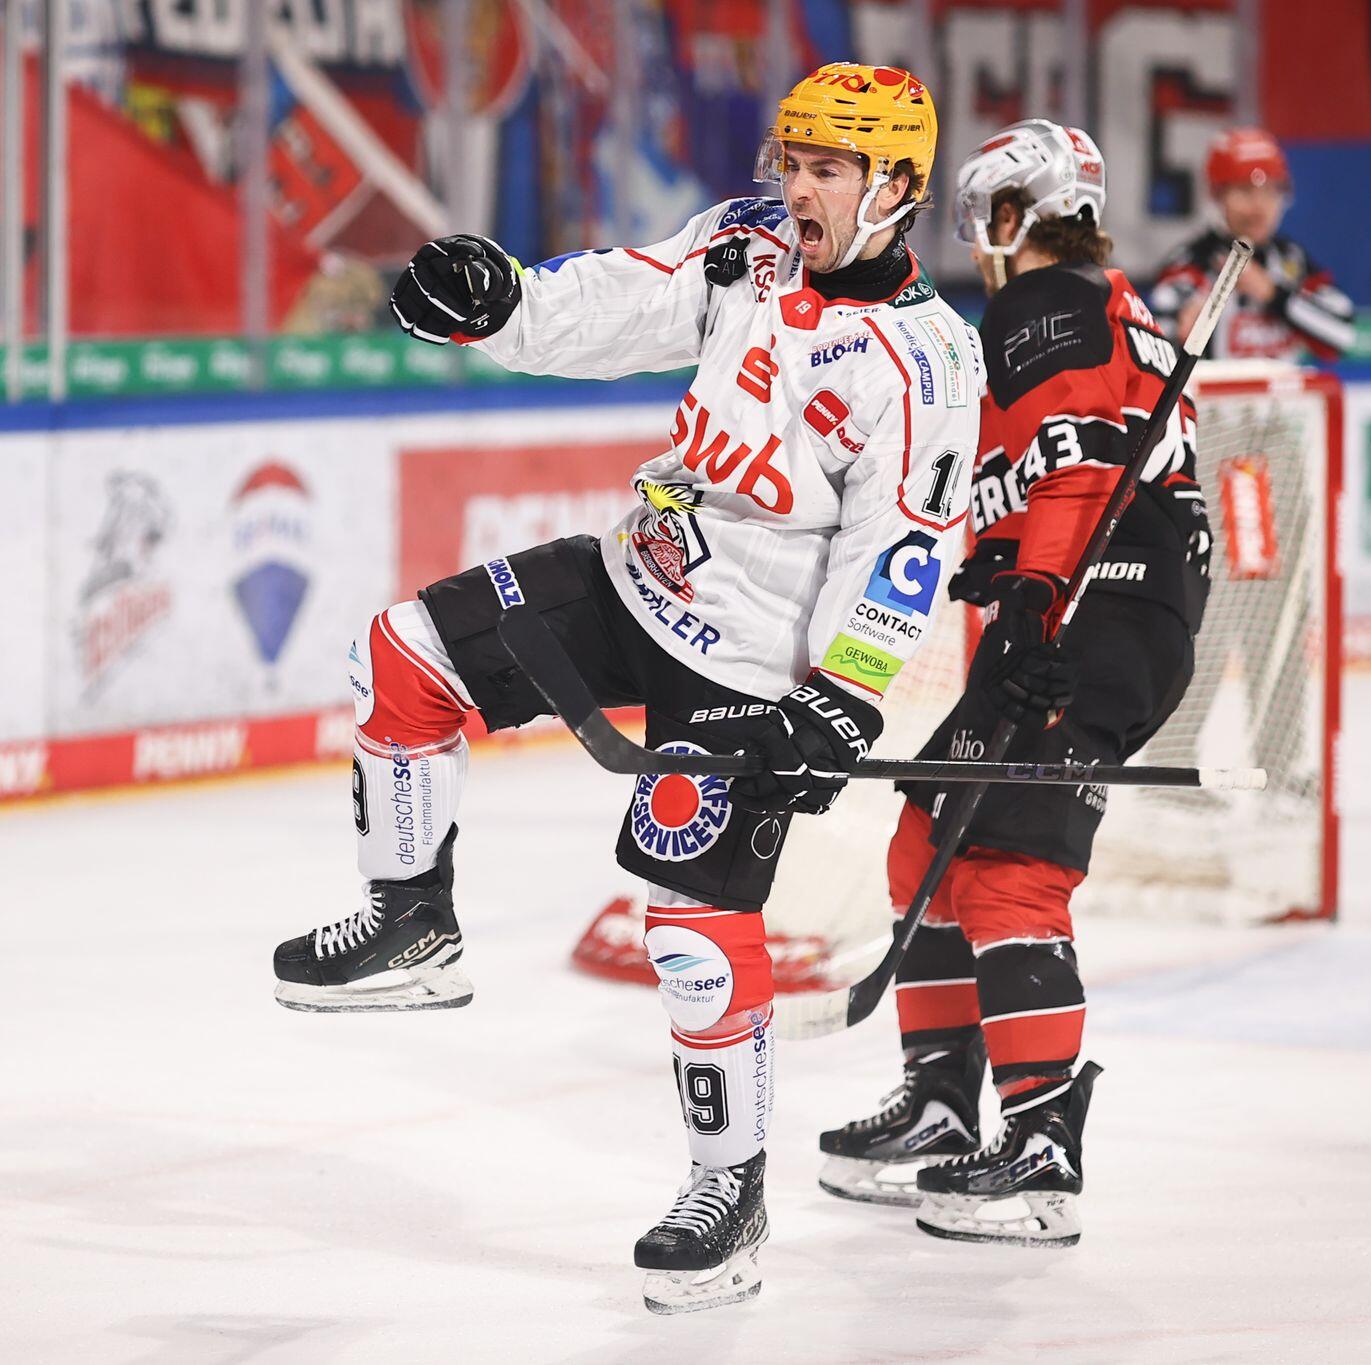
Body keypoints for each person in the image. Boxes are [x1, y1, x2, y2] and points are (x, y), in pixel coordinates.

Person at [271, 62, 984, 1313]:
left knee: (691, 938)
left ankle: (727, 1192)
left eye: (828, 169)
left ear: (894, 189)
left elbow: (903, 547)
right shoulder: (744, 246)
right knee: (400, 654)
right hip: (633, 579)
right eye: (793, 160)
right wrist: (502, 307)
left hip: (745, 663)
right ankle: (410, 917)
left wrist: (841, 696)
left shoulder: (926, 362)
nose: (799, 187)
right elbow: (615, 300)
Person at [815, 119, 1214, 1248]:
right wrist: (1006, 568)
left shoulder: (1042, 300)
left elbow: (1081, 463)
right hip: (1099, 607)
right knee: (927, 838)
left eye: (982, 217)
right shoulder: (1103, 304)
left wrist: (1033, 599)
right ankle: (941, 1106)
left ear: (1010, 213)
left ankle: (1041, 1147)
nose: (976, 240)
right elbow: (1053, 464)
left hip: (1091, 614)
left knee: (1009, 868)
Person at [1149, 126, 1355, 361]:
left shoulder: (1291, 259)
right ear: (1217, 195)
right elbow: (1155, 351)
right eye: (1245, 191)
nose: (1259, 206)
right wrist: (1187, 331)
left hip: (1281, 385)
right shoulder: (1189, 263)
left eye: (1270, 191)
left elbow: (1344, 334)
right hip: (1213, 386)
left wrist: (1273, 294)